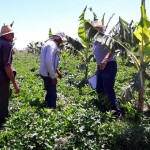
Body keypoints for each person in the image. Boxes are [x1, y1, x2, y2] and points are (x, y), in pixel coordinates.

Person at [91, 21, 122, 118]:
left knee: (108, 88)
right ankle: (105, 106)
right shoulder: (95, 39)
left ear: (101, 28)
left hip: (109, 65)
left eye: (98, 28)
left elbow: (112, 49)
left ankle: (117, 112)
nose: (96, 30)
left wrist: (105, 60)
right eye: (94, 28)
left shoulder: (106, 36)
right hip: (100, 67)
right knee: (99, 87)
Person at [39, 31, 67, 109]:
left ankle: (46, 105)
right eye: (61, 40)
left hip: (44, 72)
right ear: (58, 38)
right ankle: (52, 109)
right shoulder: (53, 45)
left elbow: (51, 61)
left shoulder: (48, 43)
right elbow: (48, 61)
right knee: (52, 93)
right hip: (48, 73)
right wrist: (53, 77)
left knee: (49, 90)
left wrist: (57, 71)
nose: (61, 42)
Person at [0, 24, 20, 126]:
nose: (13, 37)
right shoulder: (6, 45)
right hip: (2, 80)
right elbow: (7, 67)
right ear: (7, 35)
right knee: (3, 102)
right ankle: (3, 124)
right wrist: (15, 84)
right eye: (12, 35)